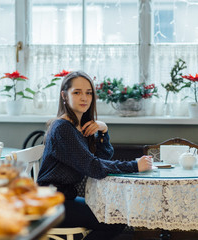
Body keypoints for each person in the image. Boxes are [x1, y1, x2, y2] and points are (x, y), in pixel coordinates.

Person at [37, 70, 153, 240]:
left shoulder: (79, 125)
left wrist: (103, 130)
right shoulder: (62, 128)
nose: (84, 98)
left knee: (116, 216)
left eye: (88, 93)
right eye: (77, 92)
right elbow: (94, 167)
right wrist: (135, 166)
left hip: (65, 199)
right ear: (64, 95)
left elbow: (103, 157)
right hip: (52, 203)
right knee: (116, 220)